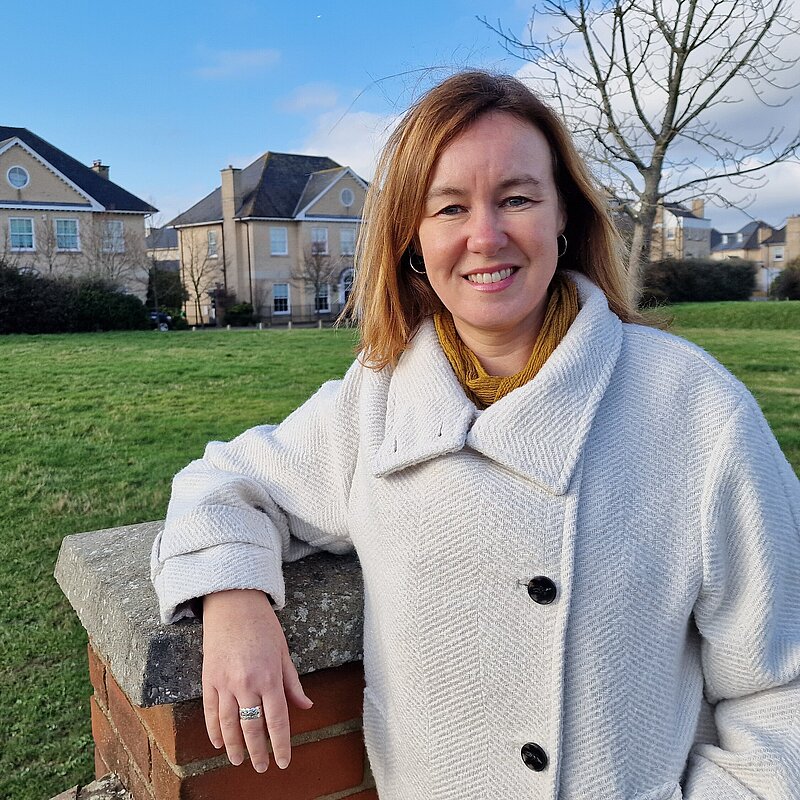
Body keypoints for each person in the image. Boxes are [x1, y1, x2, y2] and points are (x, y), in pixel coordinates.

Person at [151, 71, 800, 799]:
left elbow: (782, 686)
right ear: (413, 242)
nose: (485, 236)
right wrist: (234, 599)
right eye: (449, 207)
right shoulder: (379, 399)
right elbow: (222, 484)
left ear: (565, 217)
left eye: (517, 198)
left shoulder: (694, 410)